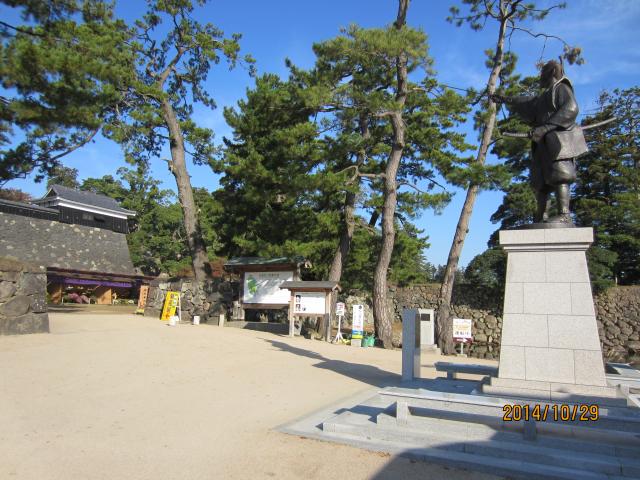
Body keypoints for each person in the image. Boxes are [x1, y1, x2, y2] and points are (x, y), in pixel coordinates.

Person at [492, 60, 585, 224]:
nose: (540, 76)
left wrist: (546, 127)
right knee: (541, 181)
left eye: (543, 73)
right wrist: (507, 100)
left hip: (558, 140)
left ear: (551, 72)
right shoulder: (545, 96)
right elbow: (528, 103)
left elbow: (571, 108)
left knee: (560, 176)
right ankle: (541, 215)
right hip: (543, 143)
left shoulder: (561, 89)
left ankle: (564, 214)